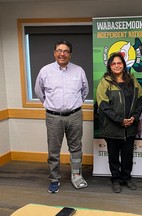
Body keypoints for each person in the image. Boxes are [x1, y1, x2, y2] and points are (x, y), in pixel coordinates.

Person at [34, 39, 89, 193]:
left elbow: (85, 91)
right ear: (54, 53)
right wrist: (49, 105)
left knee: (76, 148)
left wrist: (74, 104)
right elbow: (39, 91)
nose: (62, 54)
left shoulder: (79, 71)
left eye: (65, 51)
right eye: (59, 50)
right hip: (53, 117)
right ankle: (54, 179)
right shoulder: (45, 71)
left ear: (70, 54)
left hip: (75, 116)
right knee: (53, 150)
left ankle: (76, 177)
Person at [96, 52, 142, 193]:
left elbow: (140, 100)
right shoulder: (105, 83)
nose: (117, 66)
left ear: (124, 65)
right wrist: (119, 120)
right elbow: (103, 106)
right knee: (113, 155)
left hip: (130, 126)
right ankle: (116, 179)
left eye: (119, 63)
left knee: (128, 155)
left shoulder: (133, 81)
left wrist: (134, 117)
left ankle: (126, 178)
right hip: (112, 127)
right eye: (113, 63)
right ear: (110, 66)